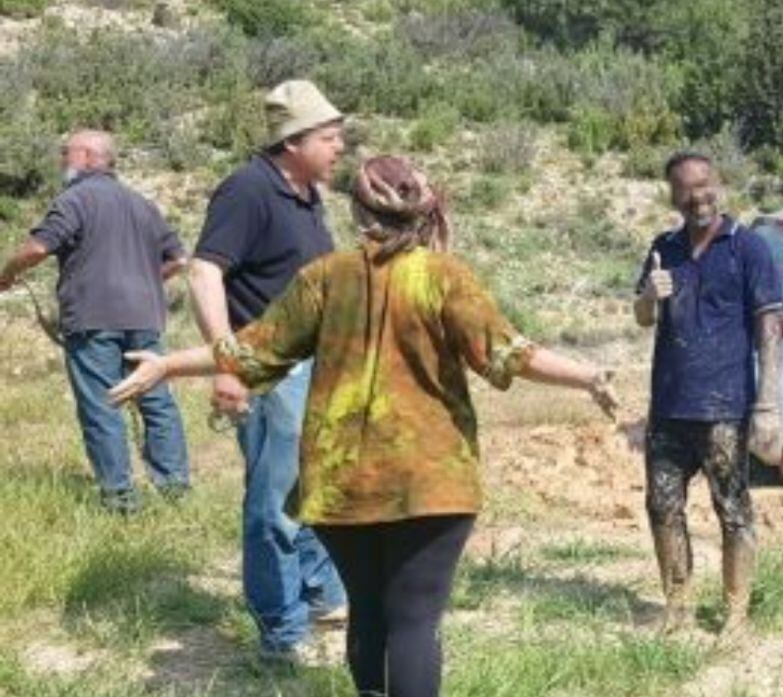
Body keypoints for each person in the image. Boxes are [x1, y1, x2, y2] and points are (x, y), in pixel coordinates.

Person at [110, 155, 618, 697]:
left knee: (369, 614)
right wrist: (587, 375)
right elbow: (511, 355)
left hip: (342, 485)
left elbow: (249, 353)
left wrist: (167, 363)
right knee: (415, 622)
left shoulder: (326, 277)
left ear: (356, 211)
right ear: (424, 210)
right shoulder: (443, 277)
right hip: (431, 484)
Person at [186, 79, 348, 662]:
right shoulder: (247, 190)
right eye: (330, 138)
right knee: (273, 504)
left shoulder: (305, 195)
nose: (339, 148)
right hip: (271, 374)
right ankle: (282, 634)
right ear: (294, 142)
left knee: (310, 489)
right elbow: (204, 273)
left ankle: (319, 592)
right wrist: (228, 364)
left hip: (314, 370)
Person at [0, 129, 189, 515]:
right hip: (145, 316)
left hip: (94, 318)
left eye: (65, 153)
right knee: (156, 401)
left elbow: (38, 247)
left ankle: (120, 500)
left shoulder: (75, 198)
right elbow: (179, 259)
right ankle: (175, 492)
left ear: (87, 156)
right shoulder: (142, 204)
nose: (61, 161)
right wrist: (147, 280)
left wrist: (7, 272)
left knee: (103, 406)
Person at [633, 151, 783, 636]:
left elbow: (768, 327)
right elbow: (641, 317)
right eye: (686, 187)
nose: (697, 195)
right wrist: (648, 297)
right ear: (673, 196)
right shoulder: (664, 248)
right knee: (662, 505)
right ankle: (678, 608)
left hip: (724, 407)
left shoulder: (748, 248)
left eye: (705, 184)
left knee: (733, 508)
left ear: (718, 185)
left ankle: (736, 614)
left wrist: (767, 404)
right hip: (670, 407)